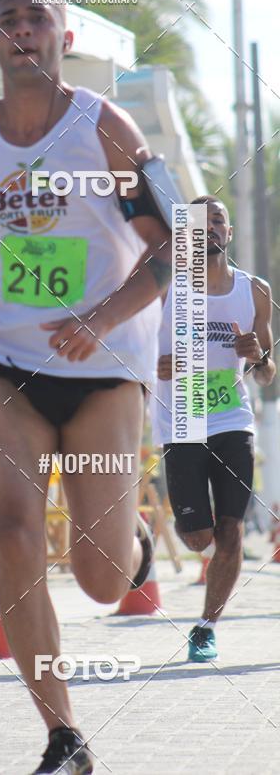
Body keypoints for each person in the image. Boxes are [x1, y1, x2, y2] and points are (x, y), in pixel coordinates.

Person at [0, 0, 173, 774]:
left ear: (63, 37)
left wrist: (98, 318)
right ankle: (63, 735)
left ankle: (130, 539)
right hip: (5, 362)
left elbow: (169, 251)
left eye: (38, 17)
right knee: (15, 530)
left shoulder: (107, 127)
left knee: (104, 581)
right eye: (8, 18)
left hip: (103, 369)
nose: (22, 28)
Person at [153, 196, 275, 662]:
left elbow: (267, 374)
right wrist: (155, 366)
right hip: (180, 419)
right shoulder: (164, 287)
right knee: (198, 536)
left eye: (218, 220)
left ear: (228, 232)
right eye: (199, 223)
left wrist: (257, 357)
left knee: (231, 530)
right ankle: (160, 544)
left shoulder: (254, 290)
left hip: (231, 419)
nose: (210, 228)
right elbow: (125, 348)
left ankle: (206, 627)